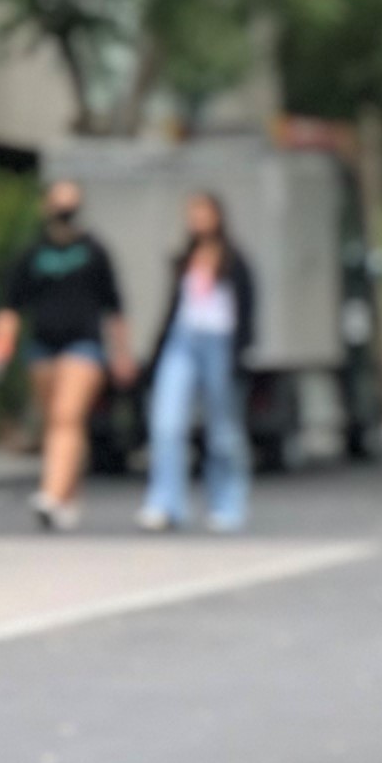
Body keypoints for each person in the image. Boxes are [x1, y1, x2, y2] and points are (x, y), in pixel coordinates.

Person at [0, 179, 134, 531]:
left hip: (84, 346)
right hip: (44, 347)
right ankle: (69, 495)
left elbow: (114, 307)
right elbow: (9, 306)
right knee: (58, 425)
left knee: (67, 416)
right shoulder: (31, 254)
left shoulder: (94, 250)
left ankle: (50, 494)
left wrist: (121, 353)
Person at [138, 190, 257, 534]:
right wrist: (157, 351)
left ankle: (228, 501)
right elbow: (172, 308)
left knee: (222, 430)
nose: (197, 220)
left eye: (203, 212)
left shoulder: (235, 260)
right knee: (167, 423)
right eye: (192, 213)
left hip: (219, 344)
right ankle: (165, 501)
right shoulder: (184, 258)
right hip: (182, 342)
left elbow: (246, 312)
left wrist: (240, 354)